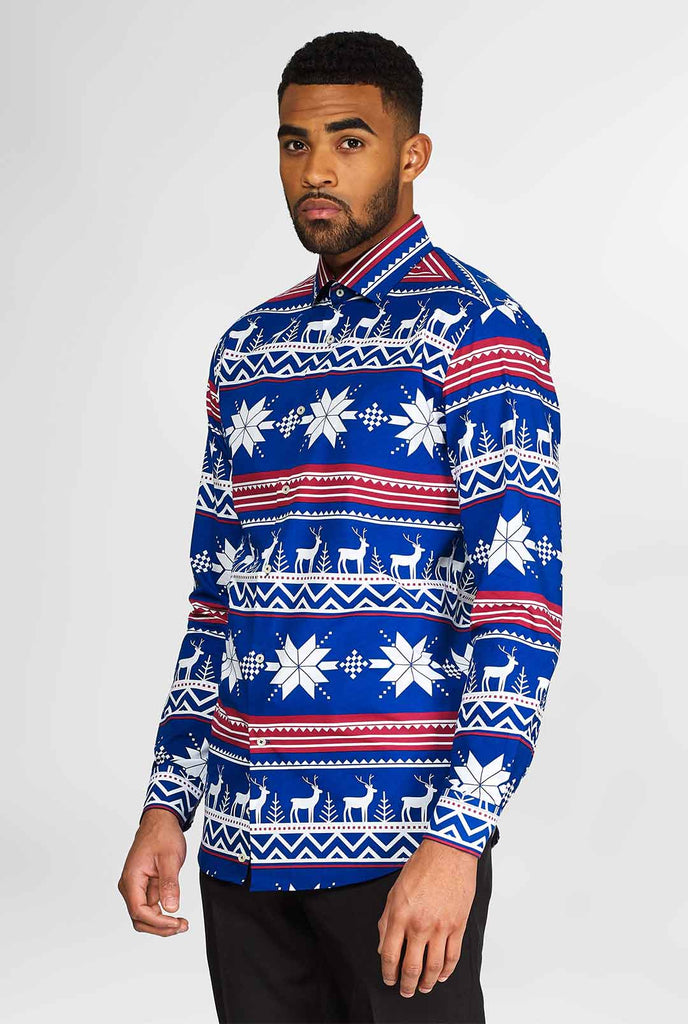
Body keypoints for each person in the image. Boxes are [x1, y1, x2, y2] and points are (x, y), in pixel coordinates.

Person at [118, 29, 563, 1024]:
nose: (315, 169)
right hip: (239, 849)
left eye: (349, 140)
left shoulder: (479, 334)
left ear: (411, 155)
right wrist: (167, 803)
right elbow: (215, 602)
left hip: (398, 852)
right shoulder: (246, 350)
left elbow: (521, 608)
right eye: (294, 142)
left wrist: (457, 841)